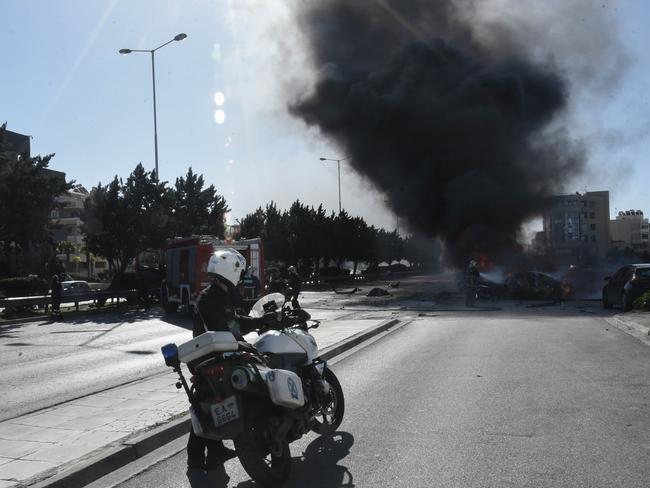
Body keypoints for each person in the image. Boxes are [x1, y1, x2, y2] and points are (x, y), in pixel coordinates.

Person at [188, 248, 275, 470]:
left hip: (207, 356)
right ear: (231, 271)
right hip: (217, 356)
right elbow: (230, 325)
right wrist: (257, 326)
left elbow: (233, 321)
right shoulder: (214, 297)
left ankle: (206, 454)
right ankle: (199, 456)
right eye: (239, 272)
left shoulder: (214, 294)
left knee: (208, 402)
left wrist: (257, 322)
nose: (241, 277)